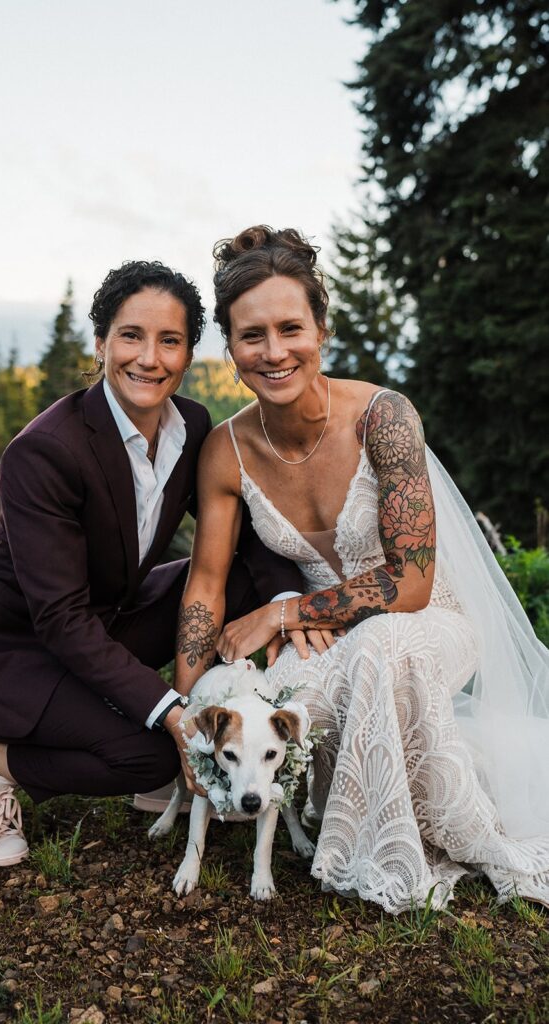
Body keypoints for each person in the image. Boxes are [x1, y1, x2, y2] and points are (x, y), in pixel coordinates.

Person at [174, 225, 549, 913]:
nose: (274, 351)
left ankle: (397, 849)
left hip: (430, 617)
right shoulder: (224, 451)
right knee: (275, 705)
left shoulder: (384, 418)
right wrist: (187, 712)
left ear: (321, 327)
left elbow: (409, 580)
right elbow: (205, 583)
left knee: (383, 643)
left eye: (291, 327)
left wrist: (287, 613)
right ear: (229, 348)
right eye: (251, 335)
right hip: (328, 632)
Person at [0, 259, 303, 868]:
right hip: (6, 649)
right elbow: (61, 620)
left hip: (104, 617)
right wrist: (173, 712)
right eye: (131, 336)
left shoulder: (193, 426)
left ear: (187, 353)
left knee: (246, 578)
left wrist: (285, 612)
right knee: (148, 755)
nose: (149, 358)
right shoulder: (43, 452)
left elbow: (242, 536)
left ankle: (200, 729)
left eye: (169, 341)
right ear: (101, 343)